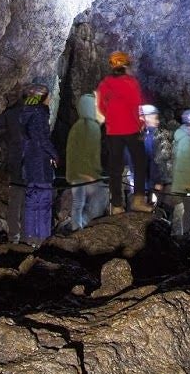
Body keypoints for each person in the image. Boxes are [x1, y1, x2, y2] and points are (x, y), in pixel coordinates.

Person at [96, 51, 150, 214]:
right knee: (139, 163)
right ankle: (138, 200)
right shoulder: (131, 82)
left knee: (115, 168)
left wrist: (111, 118)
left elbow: (101, 106)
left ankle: (117, 205)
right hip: (131, 129)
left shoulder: (105, 83)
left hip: (113, 131)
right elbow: (137, 105)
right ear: (126, 66)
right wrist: (140, 123)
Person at [18, 82, 58, 244]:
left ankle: (29, 237)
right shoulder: (40, 113)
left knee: (31, 200)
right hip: (41, 163)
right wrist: (55, 155)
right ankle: (43, 238)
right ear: (42, 98)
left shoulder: (24, 113)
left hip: (29, 161)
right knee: (44, 200)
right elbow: (42, 138)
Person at [0, 90, 27, 242]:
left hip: (16, 160)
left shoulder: (12, 113)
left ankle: (14, 235)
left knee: (15, 200)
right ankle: (27, 236)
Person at [65, 93, 103, 231]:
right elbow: (92, 154)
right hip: (87, 174)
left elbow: (71, 152)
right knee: (100, 198)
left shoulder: (76, 126)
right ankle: (84, 224)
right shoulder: (92, 127)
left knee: (78, 203)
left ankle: (77, 227)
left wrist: (71, 173)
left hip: (76, 172)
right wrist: (92, 173)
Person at [139, 104, 171, 206]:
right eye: (155, 118)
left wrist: (158, 181)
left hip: (152, 183)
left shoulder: (154, 136)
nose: (157, 121)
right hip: (150, 183)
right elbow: (152, 159)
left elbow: (159, 159)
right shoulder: (149, 135)